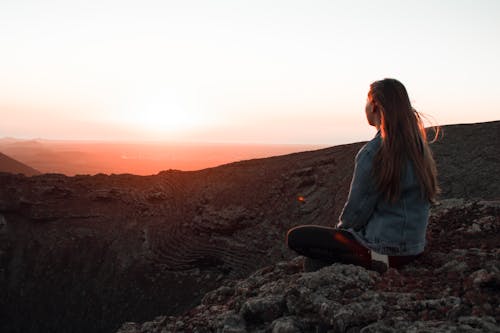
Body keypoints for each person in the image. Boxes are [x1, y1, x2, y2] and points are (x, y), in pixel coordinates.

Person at [286, 78, 439, 272]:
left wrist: (340, 235)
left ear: (374, 105)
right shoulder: (419, 149)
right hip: (412, 250)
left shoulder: (373, 152)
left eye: (366, 101)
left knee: (297, 237)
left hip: (382, 251)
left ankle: (367, 265)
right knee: (315, 260)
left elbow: (356, 213)